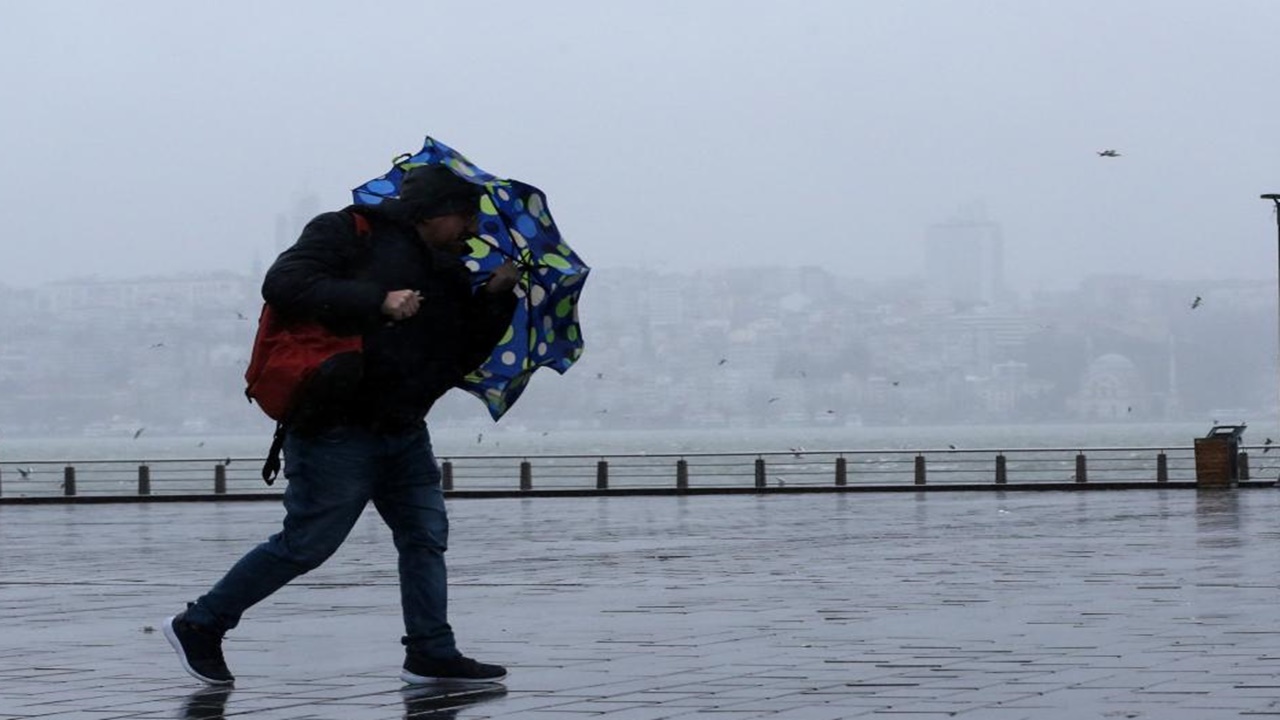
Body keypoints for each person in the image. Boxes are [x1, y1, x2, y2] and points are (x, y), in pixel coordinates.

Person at [163, 165, 519, 687]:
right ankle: (201, 623)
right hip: (335, 425)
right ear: (436, 211)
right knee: (307, 543)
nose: (472, 229)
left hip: (403, 428)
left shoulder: (449, 271)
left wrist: (494, 299)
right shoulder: (346, 231)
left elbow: (459, 356)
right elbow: (284, 284)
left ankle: (430, 651)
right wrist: (378, 301)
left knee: (424, 537)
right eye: (466, 216)